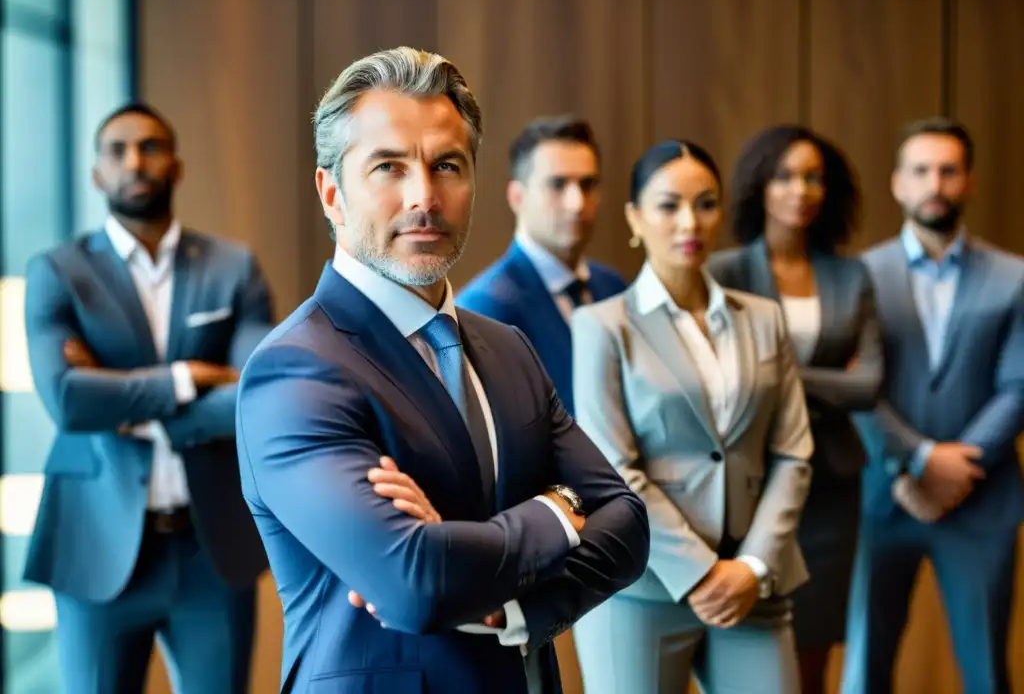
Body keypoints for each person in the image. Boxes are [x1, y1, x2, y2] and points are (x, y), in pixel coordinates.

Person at [234, 47, 650, 694]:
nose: (424, 196)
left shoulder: (507, 348)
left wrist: (520, 608)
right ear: (331, 193)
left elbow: (626, 522)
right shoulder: (295, 371)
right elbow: (413, 584)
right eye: (389, 167)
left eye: (447, 165)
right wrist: (560, 513)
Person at [22, 103, 274, 694]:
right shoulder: (57, 272)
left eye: (151, 146)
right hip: (93, 544)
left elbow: (256, 396)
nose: (135, 160)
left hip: (210, 549)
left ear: (177, 166)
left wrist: (126, 406)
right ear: (96, 174)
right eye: (117, 149)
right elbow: (68, 401)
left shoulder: (233, 268)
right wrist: (186, 380)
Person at [570, 139, 814, 693]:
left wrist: (750, 568)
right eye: (668, 205)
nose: (690, 221)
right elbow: (613, 466)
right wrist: (700, 571)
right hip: (642, 586)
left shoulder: (764, 318)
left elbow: (793, 452)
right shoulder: (603, 326)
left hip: (754, 582)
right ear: (634, 217)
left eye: (705, 203)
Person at [841, 117, 1024, 694]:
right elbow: (856, 388)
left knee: (986, 670)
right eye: (921, 171)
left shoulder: (1015, 278)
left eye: (949, 171)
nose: (935, 184)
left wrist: (957, 468)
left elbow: (1019, 386)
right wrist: (914, 460)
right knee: (866, 665)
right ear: (898, 183)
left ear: (968, 182)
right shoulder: (860, 277)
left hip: (982, 496)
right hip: (880, 495)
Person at [705, 125, 882, 693]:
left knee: (816, 648)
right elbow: (723, 376)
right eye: (784, 175)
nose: (800, 189)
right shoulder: (727, 273)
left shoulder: (851, 274)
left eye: (813, 177)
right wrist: (829, 380)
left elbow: (872, 385)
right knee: (750, 645)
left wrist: (776, 375)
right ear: (760, 186)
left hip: (832, 485)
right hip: (751, 483)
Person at [456, 115, 627, 415]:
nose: (577, 203)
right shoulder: (484, 309)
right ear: (517, 197)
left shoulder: (614, 287)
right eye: (557, 184)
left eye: (587, 185)